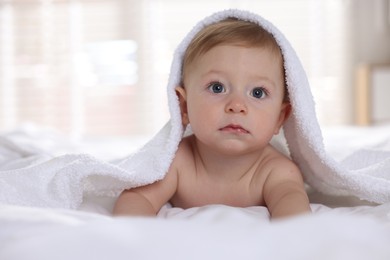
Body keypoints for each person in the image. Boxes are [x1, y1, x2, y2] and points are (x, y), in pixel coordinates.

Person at [113, 17, 311, 219]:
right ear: (184, 106)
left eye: (258, 93)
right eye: (217, 87)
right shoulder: (176, 162)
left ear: (280, 118)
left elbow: (295, 221)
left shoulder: (277, 172)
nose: (237, 105)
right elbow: (136, 200)